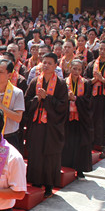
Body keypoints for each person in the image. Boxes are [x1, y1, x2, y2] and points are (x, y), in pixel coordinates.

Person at [24, 52, 69, 196]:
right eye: (44, 62)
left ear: (56, 65)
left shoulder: (61, 84)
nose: (46, 65)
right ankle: (36, 182)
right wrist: (37, 99)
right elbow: (26, 101)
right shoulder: (35, 81)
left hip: (52, 125)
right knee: (36, 152)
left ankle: (49, 185)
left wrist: (47, 98)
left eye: (50, 63)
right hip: (37, 124)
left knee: (50, 154)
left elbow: (63, 106)